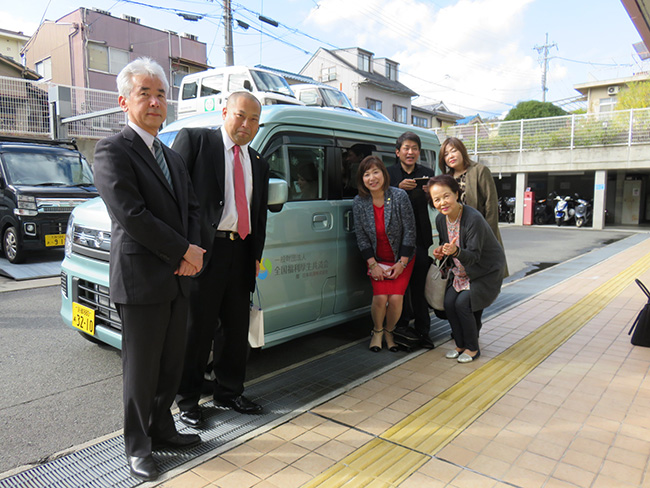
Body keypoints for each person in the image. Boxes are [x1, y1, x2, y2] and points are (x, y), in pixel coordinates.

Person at [92, 57, 204, 482]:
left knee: (170, 364)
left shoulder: (171, 156)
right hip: (142, 279)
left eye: (161, 94)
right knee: (140, 372)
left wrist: (194, 251)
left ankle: (163, 427)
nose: (156, 101)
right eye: (145, 93)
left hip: (178, 277)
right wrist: (183, 252)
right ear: (124, 101)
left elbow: (192, 208)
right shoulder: (112, 149)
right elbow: (131, 214)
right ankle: (137, 446)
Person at [174, 91, 270, 426]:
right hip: (203, 251)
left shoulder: (258, 161)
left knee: (235, 328)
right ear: (225, 111)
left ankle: (229, 391)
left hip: (241, 252)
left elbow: (259, 216)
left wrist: (256, 255)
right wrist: (183, 249)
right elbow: (173, 197)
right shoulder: (197, 142)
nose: (246, 124)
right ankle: (187, 400)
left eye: (254, 119)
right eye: (241, 115)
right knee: (196, 329)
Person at [428, 174, 505, 363]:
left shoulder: (473, 218)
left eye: (446, 196)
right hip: (462, 271)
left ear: (456, 194)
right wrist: (442, 252)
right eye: (436, 199)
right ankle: (460, 345)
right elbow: (447, 245)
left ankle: (472, 348)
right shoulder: (441, 219)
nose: (442, 202)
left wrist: (454, 252)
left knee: (462, 304)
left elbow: (474, 256)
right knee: (448, 303)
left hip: (484, 271)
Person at [353, 156, 416, 352]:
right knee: (380, 298)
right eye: (366, 174)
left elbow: (410, 231)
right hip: (376, 260)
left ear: (383, 174)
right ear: (361, 179)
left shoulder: (399, 196)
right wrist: (373, 264)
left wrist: (402, 263)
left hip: (401, 259)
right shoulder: (359, 202)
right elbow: (361, 236)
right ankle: (378, 331)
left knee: (396, 299)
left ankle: (390, 331)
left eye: (375, 172)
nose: (372, 178)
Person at [387, 131, 436, 349]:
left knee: (419, 287)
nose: (410, 152)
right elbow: (381, 202)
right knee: (400, 288)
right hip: (395, 240)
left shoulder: (428, 173)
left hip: (420, 238)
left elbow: (436, 204)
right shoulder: (388, 175)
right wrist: (397, 189)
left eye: (414, 148)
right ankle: (402, 330)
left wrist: (430, 193)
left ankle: (424, 332)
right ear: (398, 152)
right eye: (406, 148)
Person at [438, 137, 508, 276]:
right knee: (460, 275)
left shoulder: (480, 171)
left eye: (453, 151)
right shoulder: (446, 178)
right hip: (456, 232)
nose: (450, 156)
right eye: (446, 154)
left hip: (478, 231)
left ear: (462, 151)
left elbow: (491, 205)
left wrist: (488, 237)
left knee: (482, 276)